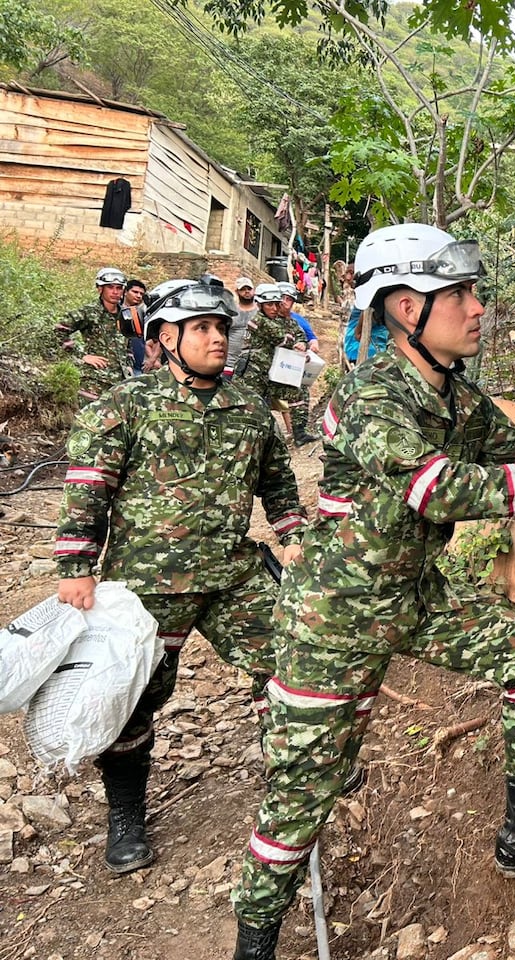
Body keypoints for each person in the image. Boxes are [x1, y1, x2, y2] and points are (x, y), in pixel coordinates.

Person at [229, 224, 515, 959]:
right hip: (333, 620)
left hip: (413, 595)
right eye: (461, 295)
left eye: (475, 292)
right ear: (407, 309)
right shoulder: (369, 393)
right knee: (299, 802)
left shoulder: (457, 397)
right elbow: (436, 490)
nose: (479, 308)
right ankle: (253, 945)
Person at [54, 278, 307, 875]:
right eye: (202, 329)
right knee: (133, 699)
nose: (218, 338)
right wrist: (75, 569)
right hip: (146, 586)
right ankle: (125, 818)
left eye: (221, 328)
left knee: (289, 663)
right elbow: (87, 489)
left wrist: (294, 538)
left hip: (232, 576)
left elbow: (278, 485)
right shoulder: (124, 405)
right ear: (166, 338)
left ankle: (298, 774)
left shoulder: (249, 408)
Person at [58, 267, 133, 403]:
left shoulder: (126, 315)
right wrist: (82, 356)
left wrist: (128, 364)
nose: (115, 292)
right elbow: (58, 331)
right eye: (110, 287)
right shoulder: (89, 312)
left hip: (121, 385)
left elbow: (128, 344)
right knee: (88, 423)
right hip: (94, 384)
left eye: (119, 288)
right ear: (100, 289)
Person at [275, 282, 320, 446]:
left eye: (289, 299)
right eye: (282, 298)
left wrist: (308, 346)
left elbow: (308, 337)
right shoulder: (266, 319)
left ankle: (299, 433)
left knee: (300, 399)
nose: (285, 302)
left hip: (292, 367)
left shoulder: (296, 321)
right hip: (268, 368)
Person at [340, 303, 389, 370]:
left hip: (364, 349)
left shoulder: (366, 300)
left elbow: (372, 308)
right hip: (363, 349)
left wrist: (358, 329)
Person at [227, 277, 258, 377]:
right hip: (230, 362)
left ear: (254, 291)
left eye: (249, 289)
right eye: (243, 290)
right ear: (237, 292)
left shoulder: (260, 311)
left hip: (253, 363)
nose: (247, 292)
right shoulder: (231, 311)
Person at [120, 279, 147, 375]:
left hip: (140, 366)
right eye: (135, 292)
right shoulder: (116, 313)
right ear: (125, 292)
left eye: (141, 294)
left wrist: (152, 359)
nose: (139, 296)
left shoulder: (144, 314)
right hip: (120, 366)